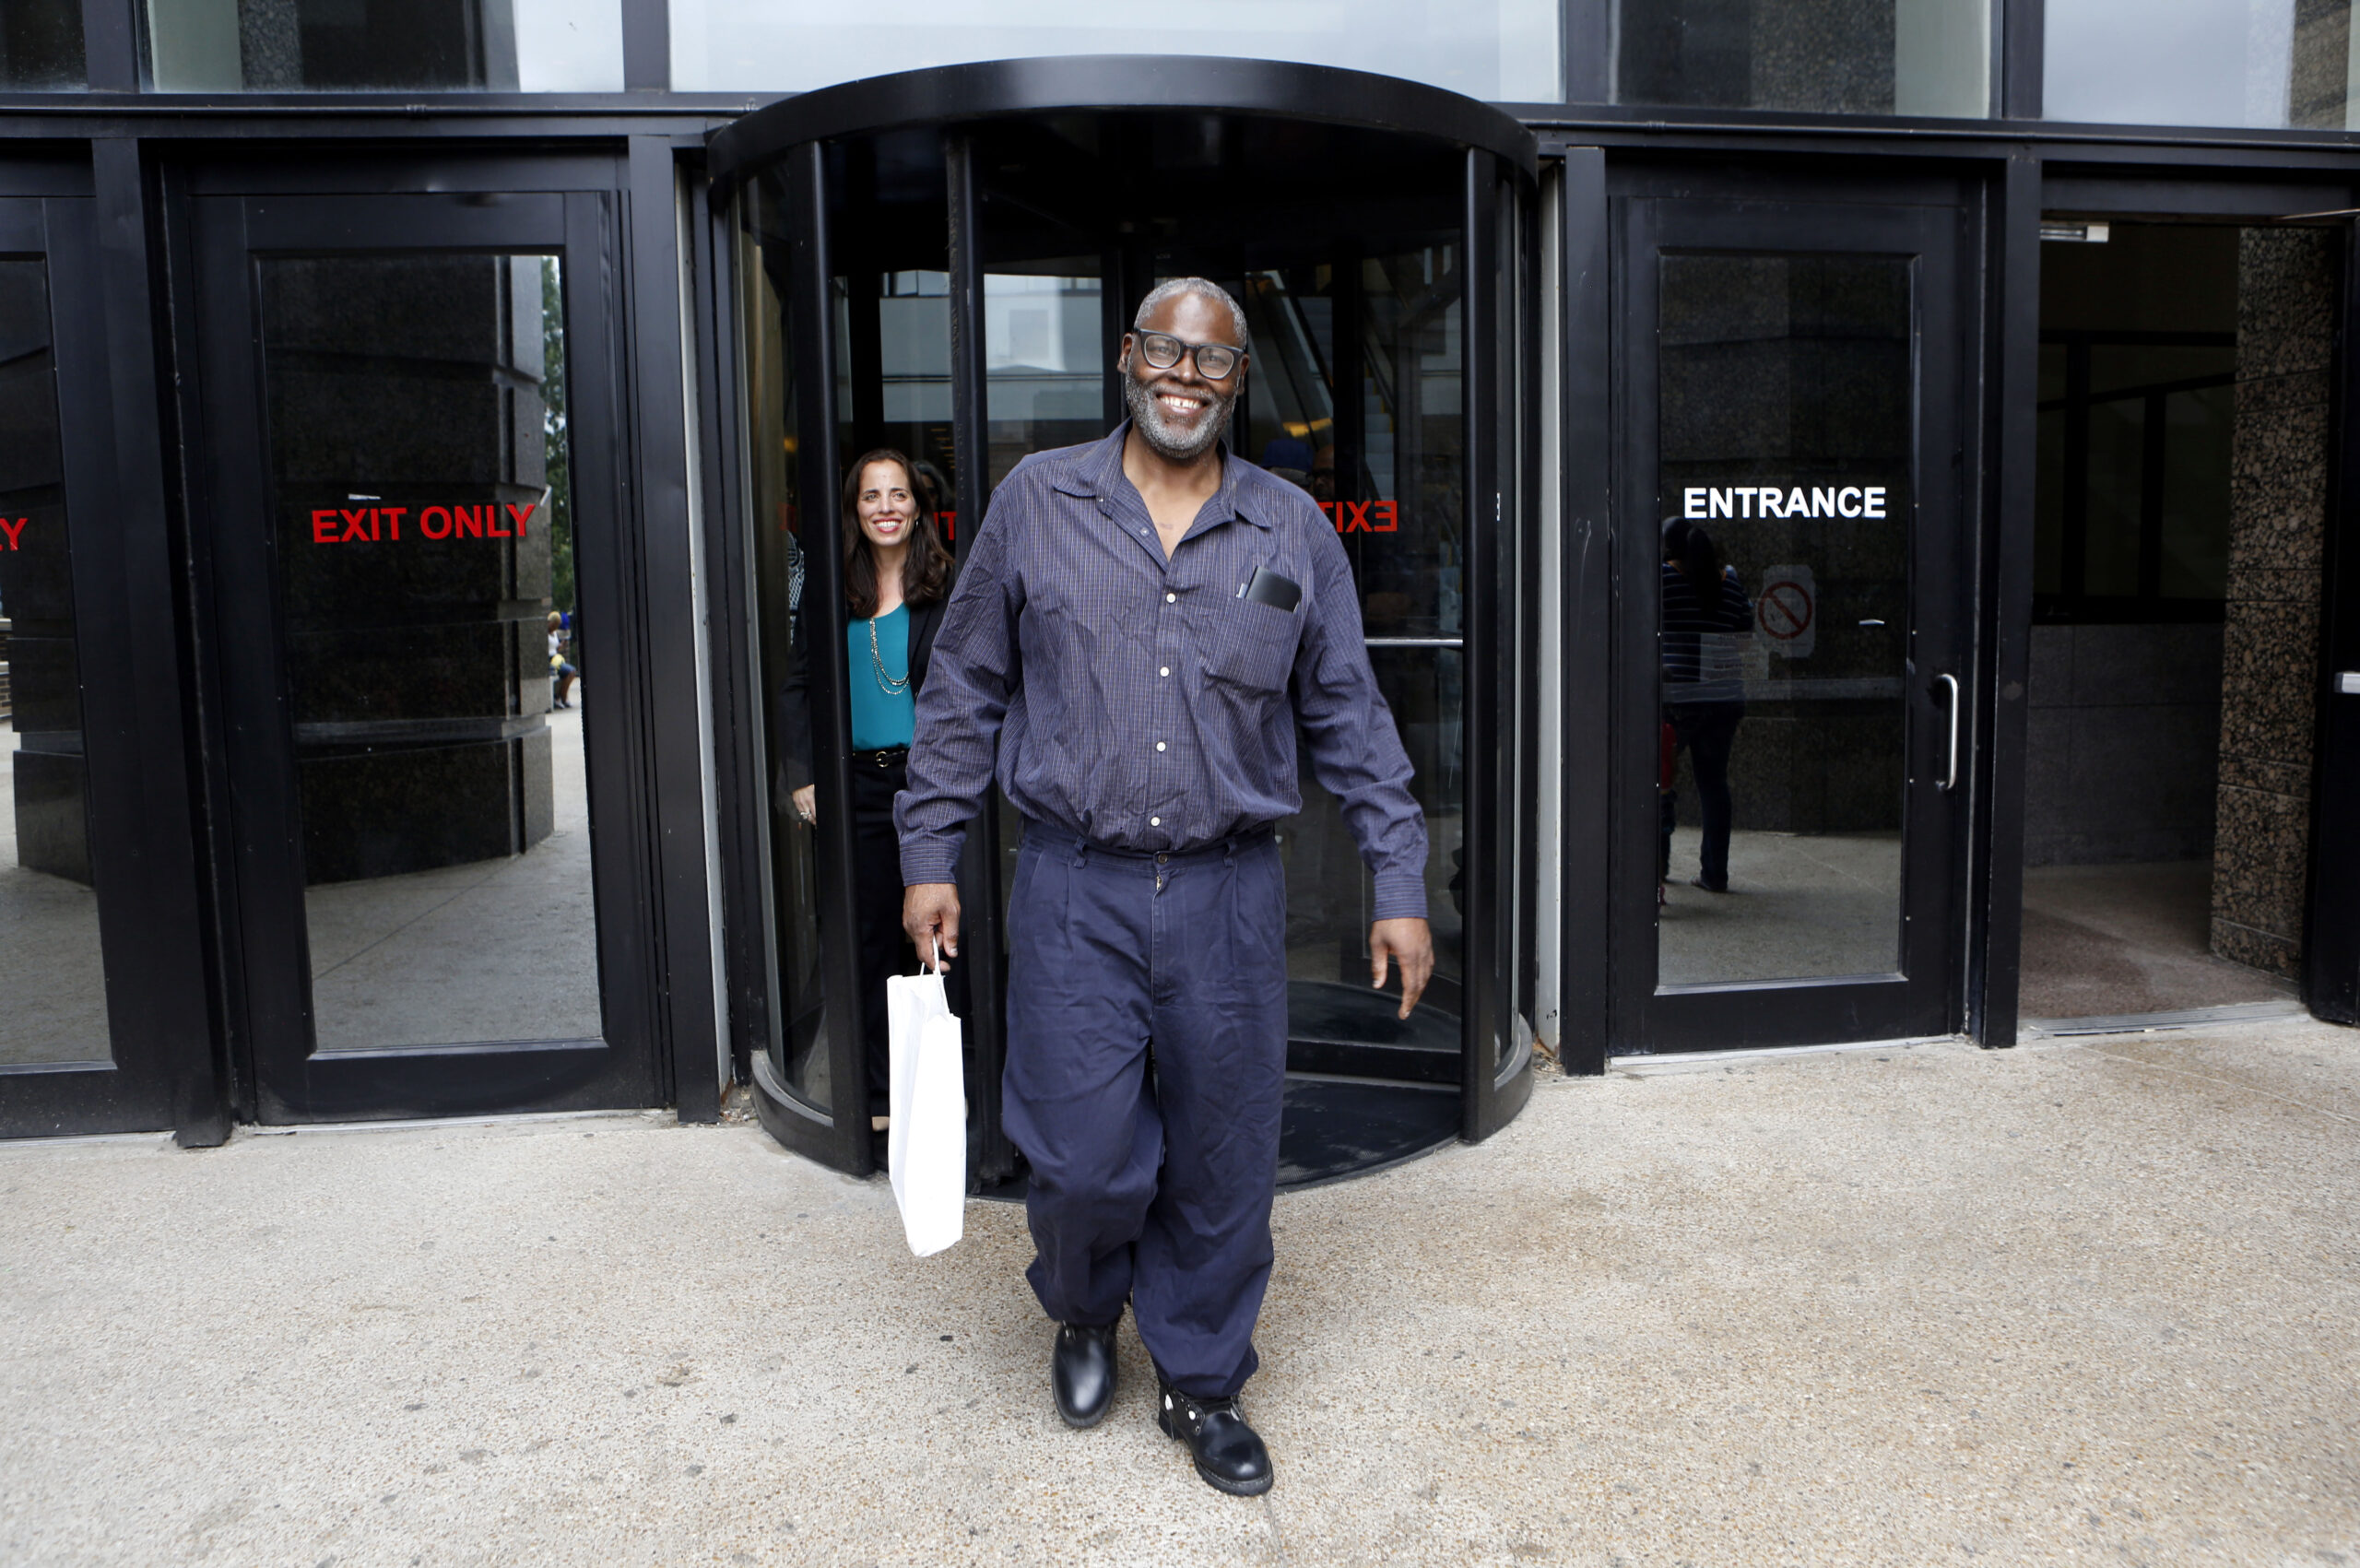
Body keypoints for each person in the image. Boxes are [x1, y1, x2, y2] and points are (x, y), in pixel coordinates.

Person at [897, 277, 1433, 1497]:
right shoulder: (1039, 502)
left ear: (1238, 382)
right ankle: (1084, 1310)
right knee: (1082, 1158)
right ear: (1127, 361)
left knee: (1223, 1156)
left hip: (1230, 898)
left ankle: (1201, 1381)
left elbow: (1348, 712)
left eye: (1213, 361)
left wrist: (1397, 876)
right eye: (1164, 351)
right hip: (1074, 889)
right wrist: (932, 854)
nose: (1184, 377)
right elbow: (965, 686)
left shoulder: (1291, 530)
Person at [777, 449, 958, 1156]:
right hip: (853, 787)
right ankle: (881, 1097)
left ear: (917, 505)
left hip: (928, 784)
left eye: (898, 494)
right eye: (871, 496)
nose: (886, 506)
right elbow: (799, 685)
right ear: (856, 510)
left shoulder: (945, 587)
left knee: (937, 940)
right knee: (870, 944)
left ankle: (954, 1088)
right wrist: (803, 772)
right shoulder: (831, 590)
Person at [1658, 518, 1753, 893]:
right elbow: (1746, 635)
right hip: (1724, 699)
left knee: (1660, 782)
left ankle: (1657, 868)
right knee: (1714, 785)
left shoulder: (1663, 579)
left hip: (1677, 700)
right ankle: (1715, 873)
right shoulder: (1729, 583)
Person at [548, 611, 577, 709]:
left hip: (556, 658)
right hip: (549, 660)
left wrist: (561, 645)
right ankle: (562, 697)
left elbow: (555, 648)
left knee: (572, 671)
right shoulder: (545, 633)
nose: (555, 627)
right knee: (569, 672)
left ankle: (561, 695)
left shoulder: (555, 633)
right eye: (554, 624)